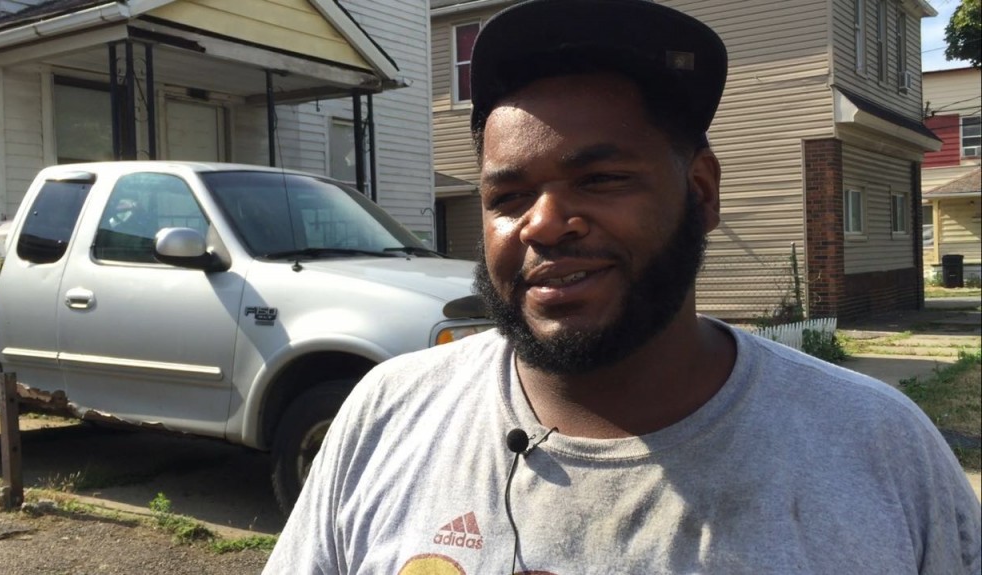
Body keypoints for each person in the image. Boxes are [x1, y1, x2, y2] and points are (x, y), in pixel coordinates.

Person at [264, 0, 981, 572]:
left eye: (601, 179)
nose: (544, 224)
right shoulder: (388, 416)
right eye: (508, 197)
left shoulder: (876, 449)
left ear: (701, 191)